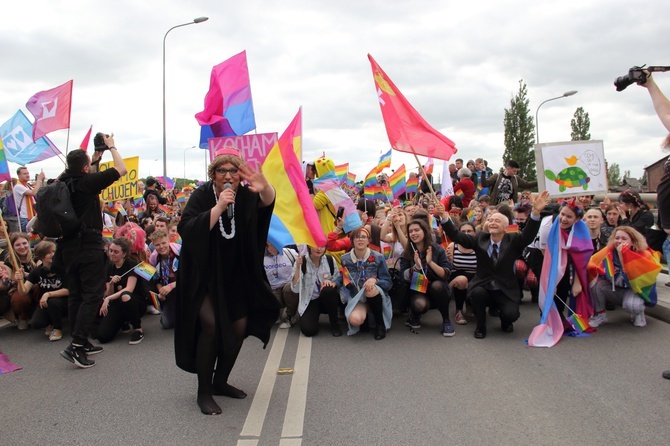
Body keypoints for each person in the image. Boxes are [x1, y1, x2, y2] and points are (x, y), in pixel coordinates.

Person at [175, 147, 278, 415]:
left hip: (234, 273)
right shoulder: (201, 195)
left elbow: (266, 205)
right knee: (209, 325)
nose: (228, 175)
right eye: (222, 170)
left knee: (239, 326)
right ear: (214, 173)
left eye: (233, 170)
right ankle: (204, 391)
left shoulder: (245, 194)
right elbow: (187, 229)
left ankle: (220, 380)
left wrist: (265, 187)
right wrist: (219, 205)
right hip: (203, 275)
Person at [438, 191, 549, 339]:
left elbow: (528, 235)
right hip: (483, 287)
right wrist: (444, 218)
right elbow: (457, 236)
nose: (493, 222)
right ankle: (480, 326)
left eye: (497, 221)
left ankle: (505, 320)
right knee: (477, 294)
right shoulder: (480, 238)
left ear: (505, 227)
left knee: (511, 314)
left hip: (505, 290)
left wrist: (535, 212)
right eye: (490, 220)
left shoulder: (513, 240)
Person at [57, 135, 127, 368]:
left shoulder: (63, 181)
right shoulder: (87, 183)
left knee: (76, 295)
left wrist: (97, 155)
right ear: (85, 168)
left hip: (68, 246)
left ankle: (82, 340)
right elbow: (122, 169)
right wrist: (112, 146)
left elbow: (89, 171)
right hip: (87, 245)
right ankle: (76, 346)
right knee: (93, 295)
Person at [588, 226, 661, 329]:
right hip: (615, 289)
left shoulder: (643, 254)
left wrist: (623, 257)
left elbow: (636, 280)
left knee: (632, 305)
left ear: (633, 241)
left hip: (635, 291)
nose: (619, 241)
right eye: (617, 238)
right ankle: (600, 315)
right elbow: (591, 264)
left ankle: (638, 314)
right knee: (595, 284)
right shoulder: (607, 251)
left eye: (624, 238)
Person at [399, 218, 455, 336]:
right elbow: (403, 277)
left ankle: (446, 320)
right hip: (418, 286)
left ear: (424, 231)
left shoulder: (436, 249)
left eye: (417, 230)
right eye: (411, 231)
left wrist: (430, 263)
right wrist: (416, 267)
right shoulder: (407, 252)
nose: (413, 233)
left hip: (437, 287)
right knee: (420, 304)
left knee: (437, 285)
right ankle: (415, 314)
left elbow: (446, 273)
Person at [337, 227, 393, 340]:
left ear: (368, 240)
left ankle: (380, 324)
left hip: (375, 294)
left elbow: (388, 283)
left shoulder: (378, 257)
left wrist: (375, 281)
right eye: (357, 237)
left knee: (370, 288)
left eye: (363, 237)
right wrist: (331, 282)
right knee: (355, 320)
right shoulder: (345, 259)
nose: (360, 240)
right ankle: (365, 316)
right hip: (357, 297)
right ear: (352, 241)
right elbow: (340, 277)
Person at [97, 238, 147, 344]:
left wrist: (108, 299)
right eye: (110, 250)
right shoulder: (109, 267)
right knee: (102, 337)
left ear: (124, 254)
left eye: (116, 252)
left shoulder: (132, 264)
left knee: (125, 296)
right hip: (117, 304)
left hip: (135, 302)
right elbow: (109, 294)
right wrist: (111, 284)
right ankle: (123, 321)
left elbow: (129, 289)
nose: (112, 254)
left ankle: (138, 329)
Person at [20, 241, 68, 341]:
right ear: (41, 256)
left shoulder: (63, 268)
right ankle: (50, 323)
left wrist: (48, 294)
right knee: (36, 323)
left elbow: (69, 290)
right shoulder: (36, 271)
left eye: (54, 251)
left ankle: (57, 328)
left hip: (65, 302)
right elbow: (23, 291)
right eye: (49, 252)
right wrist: (19, 280)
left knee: (53, 302)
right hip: (46, 303)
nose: (53, 254)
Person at [291, 245, 341, 337]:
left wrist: (331, 282)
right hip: (310, 301)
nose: (319, 249)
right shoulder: (302, 262)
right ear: (309, 246)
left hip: (326, 299)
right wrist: (298, 268)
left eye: (322, 246)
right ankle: (312, 317)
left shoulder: (330, 260)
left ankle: (334, 323)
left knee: (329, 291)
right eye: (315, 246)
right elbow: (295, 289)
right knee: (308, 330)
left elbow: (337, 279)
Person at [3, 233, 37, 329]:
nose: (22, 247)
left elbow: (42, 274)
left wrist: (29, 276)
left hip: (36, 287)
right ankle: (23, 316)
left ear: (28, 243)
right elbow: (7, 283)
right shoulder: (9, 261)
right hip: (20, 290)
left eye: (24, 243)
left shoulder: (36, 255)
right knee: (20, 298)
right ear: (12, 247)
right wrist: (9, 279)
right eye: (17, 245)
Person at [446, 222, 478, 325]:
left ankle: (470, 304)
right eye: (463, 231)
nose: (466, 233)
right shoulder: (453, 245)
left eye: (469, 231)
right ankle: (458, 311)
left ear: (475, 232)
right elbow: (448, 269)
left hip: (475, 277)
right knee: (462, 280)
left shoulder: (480, 245)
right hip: (457, 277)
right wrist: (448, 259)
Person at [264, 241, 299, 329]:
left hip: (287, 287)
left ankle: (291, 316)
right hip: (272, 290)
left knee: (290, 288)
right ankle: (275, 315)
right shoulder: (260, 255)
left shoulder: (290, 253)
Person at [149, 229, 180, 329]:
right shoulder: (154, 258)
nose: (161, 247)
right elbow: (156, 280)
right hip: (169, 292)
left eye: (163, 243)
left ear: (168, 240)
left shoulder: (180, 252)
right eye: (157, 245)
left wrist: (171, 286)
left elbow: (190, 276)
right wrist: (161, 291)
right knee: (166, 324)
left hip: (184, 288)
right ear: (153, 245)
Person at [13, 167, 46, 232]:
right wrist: (38, 179)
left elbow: (41, 192)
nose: (27, 175)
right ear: (19, 175)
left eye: (28, 173)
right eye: (24, 174)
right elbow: (33, 193)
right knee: (29, 239)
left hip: (32, 216)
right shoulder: (18, 186)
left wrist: (42, 181)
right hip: (25, 217)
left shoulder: (27, 186)